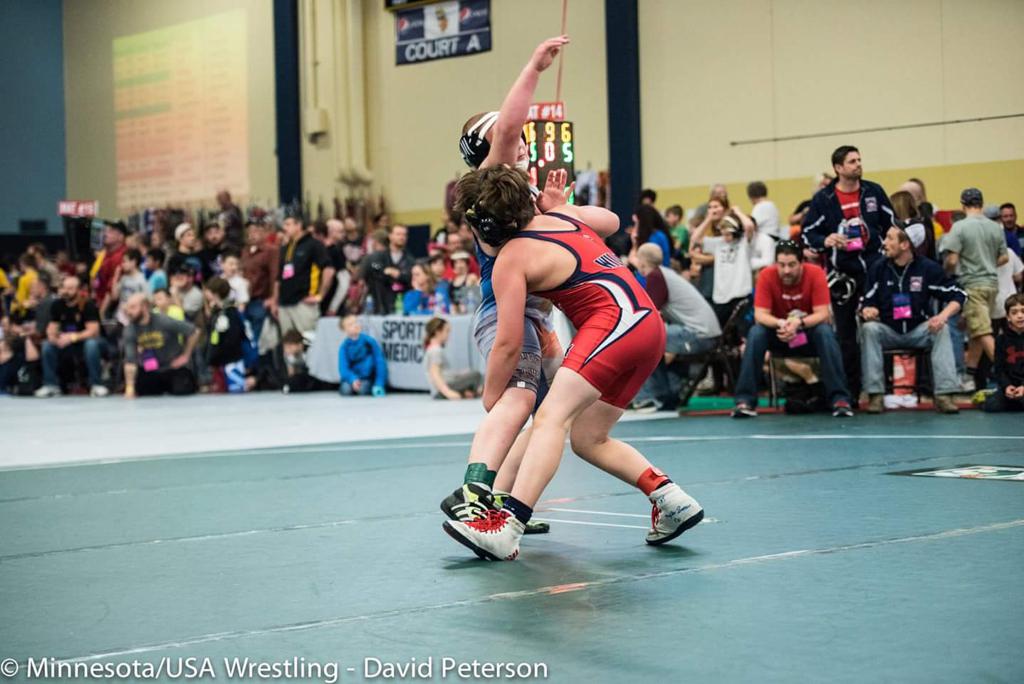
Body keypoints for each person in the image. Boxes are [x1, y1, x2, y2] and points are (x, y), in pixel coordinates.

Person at [443, 166, 703, 561]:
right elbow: (612, 221)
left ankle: (508, 527)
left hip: (614, 325)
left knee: (550, 419)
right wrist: (563, 204)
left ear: (482, 226)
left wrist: (492, 392)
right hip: (648, 326)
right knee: (588, 438)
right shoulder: (564, 217)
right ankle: (670, 497)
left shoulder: (511, 257)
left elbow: (509, 343)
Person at [439, 36, 569, 531]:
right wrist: (533, 67)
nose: (518, 142)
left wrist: (554, 209)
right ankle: (476, 493)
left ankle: (503, 502)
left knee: (549, 412)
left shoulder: (517, 189)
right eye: (506, 139)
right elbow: (512, 125)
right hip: (509, 314)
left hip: (536, 316)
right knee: (517, 403)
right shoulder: (493, 180)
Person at [801, 145, 894, 404]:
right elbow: (809, 233)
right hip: (843, 277)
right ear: (838, 168)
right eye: (852, 161)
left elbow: (892, 225)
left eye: (859, 160)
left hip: (875, 271)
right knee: (846, 336)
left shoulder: (873, 191)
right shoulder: (824, 199)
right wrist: (827, 239)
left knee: (878, 328)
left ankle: (880, 391)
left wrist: (886, 250)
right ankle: (849, 393)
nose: (858, 164)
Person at [732, 241, 852, 418]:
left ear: (801, 262)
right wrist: (781, 323)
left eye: (791, 265)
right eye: (781, 265)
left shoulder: (816, 274)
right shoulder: (766, 275)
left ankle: (839, 399)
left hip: (806, 334)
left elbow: (822, 314)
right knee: (756, 333)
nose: (786, 270)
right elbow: (760, 315)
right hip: (780, 335)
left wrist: (798, 323)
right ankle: (745, 401)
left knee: (825, 332)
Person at [859, 224, 965, 414]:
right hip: (888, 330)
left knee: (942, 328)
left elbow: (959, 294)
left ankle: (944, 395)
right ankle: (875, 395)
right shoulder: (878, 268)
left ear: (905, 245)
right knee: (869, 329)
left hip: (919, 330)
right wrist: (867, 310)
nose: (885, 243)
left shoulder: (928, 268)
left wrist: (942, 316)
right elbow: (866, 299)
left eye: (890, 238)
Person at [631, 242, 721, 411]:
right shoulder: (665, 274)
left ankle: (648, 397)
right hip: (704, 332)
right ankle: (667, 394)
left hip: (699, 334)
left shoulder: (656, 277)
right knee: (652, 341)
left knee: (639, 341)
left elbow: (648, 315)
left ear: (642, 262)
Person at [943, 188, 1009, 390]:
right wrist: (987, 263)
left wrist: (947, 271)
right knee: (976, 332)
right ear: (981, 203)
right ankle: (969, 377)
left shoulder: (959, 227)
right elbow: (1004, 257)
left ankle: (1009, 373)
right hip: (991, 285)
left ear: (963, 205)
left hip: (972, 284)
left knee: (982, 332)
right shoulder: (995, 227)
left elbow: (952, 260)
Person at [34, 275, 108, 398]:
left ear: (79, 290)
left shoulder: (87, 305)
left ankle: (96, 384)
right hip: (67, 343)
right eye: (64, 288)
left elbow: (93, 331)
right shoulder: (57, 305)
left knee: (91, 344)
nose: (66, 292)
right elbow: (52, 327)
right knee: (47, 345)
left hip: (89, 342)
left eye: (70, 289)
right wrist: (53, 337)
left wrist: (72, 337)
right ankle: (51, 385)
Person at [121, 293, 199, 397]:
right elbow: (130, 360)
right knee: (143, 390)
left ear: (144, 307)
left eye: (133, 307)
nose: (128, 312)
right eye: (127, 308)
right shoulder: (130, 329)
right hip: (151, 369)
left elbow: (194, 331)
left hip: (173, 368)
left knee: (182, 390)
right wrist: (129, 387)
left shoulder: (163, 321)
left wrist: (186, 355)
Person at [272, 213, 334, 335]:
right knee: (288, 344)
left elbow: (329, 270)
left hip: (303, 302)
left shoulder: (313, 245)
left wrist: (320, 295)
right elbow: (279, 277)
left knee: (308, 341)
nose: (285, 228)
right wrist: (275, 302)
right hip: (285, 303)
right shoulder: (285, 247)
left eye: (288, 224)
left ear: (299, 225)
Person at [691, 209, 755, 325]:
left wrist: (737, 211)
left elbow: (749, 226)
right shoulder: (718, 243)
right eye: (723, 234)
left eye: (728, 234)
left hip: (740, 294)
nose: (725, 237)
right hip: (721, 296)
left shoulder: (744, 242)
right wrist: (708, 219)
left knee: (740, 332)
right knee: (720, 331)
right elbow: (695, 238)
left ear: (736, 232)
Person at [204, 278, 248, 393]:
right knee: (220, 392)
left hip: (232, 360)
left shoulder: (230, 312)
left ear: (215, 293)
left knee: (236, 390)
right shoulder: (217, 311)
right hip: (219, 361)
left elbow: (235, 336)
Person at [982, 294, 1024, 412]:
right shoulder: (1001, 339)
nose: (1020, 316)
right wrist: (1007, 386)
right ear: (1008, 317)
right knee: (991, 406)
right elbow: (999, 368)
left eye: (1023, 311)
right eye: (1014, 313)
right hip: (1010, 386)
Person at [422, 317, 480, 400]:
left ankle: (466, 392)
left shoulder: (432, 349)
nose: (448, 335)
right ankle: (474, 392)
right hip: (443, 389)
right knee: (476, 375)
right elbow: (435, 374)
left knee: (469, 374)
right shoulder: (435, 351)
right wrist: (448, 393)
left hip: (444, 387)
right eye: (447, 331)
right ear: (438, 332)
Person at [241, 220, 278, 347]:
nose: (252, 235)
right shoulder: (245, 251)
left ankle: (260, 365)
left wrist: (273, 298)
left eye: (256, 231)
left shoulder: (271, 250)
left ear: (264, 232)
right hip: (245, 300)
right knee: (247, 334)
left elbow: (274, 275)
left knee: (258, 337)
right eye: (249, 232)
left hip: (261, 298)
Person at [337, 315, 387, 396]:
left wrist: (379, 383)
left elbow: (379, 362)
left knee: (363, 390)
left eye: (356, 322)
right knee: (346, 390)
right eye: (350, 325)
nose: (355, 325)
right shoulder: (344, 347)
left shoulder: (370, 341)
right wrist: (352, 379)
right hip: (351, 378)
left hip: (366, 378)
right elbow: (343, 368)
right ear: (344, 330)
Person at [90, 221, 128, 306]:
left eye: (110, 231)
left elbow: (111, 290)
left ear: (121, 237)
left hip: (111, 306)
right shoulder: (106, 254)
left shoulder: (121, 257)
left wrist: (102, 312)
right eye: (105, 230)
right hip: (99, 298)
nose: (105, 234)